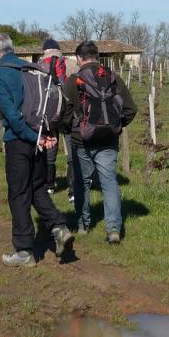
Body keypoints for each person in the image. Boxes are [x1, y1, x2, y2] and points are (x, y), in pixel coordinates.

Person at [0, 33, 71, 267]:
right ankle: (59, 227)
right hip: (41, 136)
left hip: (21, 140)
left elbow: (12, 116)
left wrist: (34, 138)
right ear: (11, 49)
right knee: (37, 188)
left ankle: (24, 251)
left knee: (18, 193)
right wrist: (46, 136)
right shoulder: (33, 68)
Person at [61, 40, 137, 244]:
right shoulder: (113, 78)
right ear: (98, 56)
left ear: (78, 59)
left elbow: (65, 116)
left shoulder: (73, 81)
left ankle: (83, 225)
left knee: (82, 182)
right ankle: (113, 230)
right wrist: (116, 126)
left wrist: (70, 132)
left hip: (81, 141)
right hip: (108, 140)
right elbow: (131, 109)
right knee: (109, 182)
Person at [38, 38, 75, 194]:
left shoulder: (39, 66)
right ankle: (73, 190)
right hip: (69, 112)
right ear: (59, 50)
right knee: (71, 151)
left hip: (49, 113)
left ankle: (50, 185)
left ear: (44, 50)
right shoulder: (71, 64)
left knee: (50, 148)